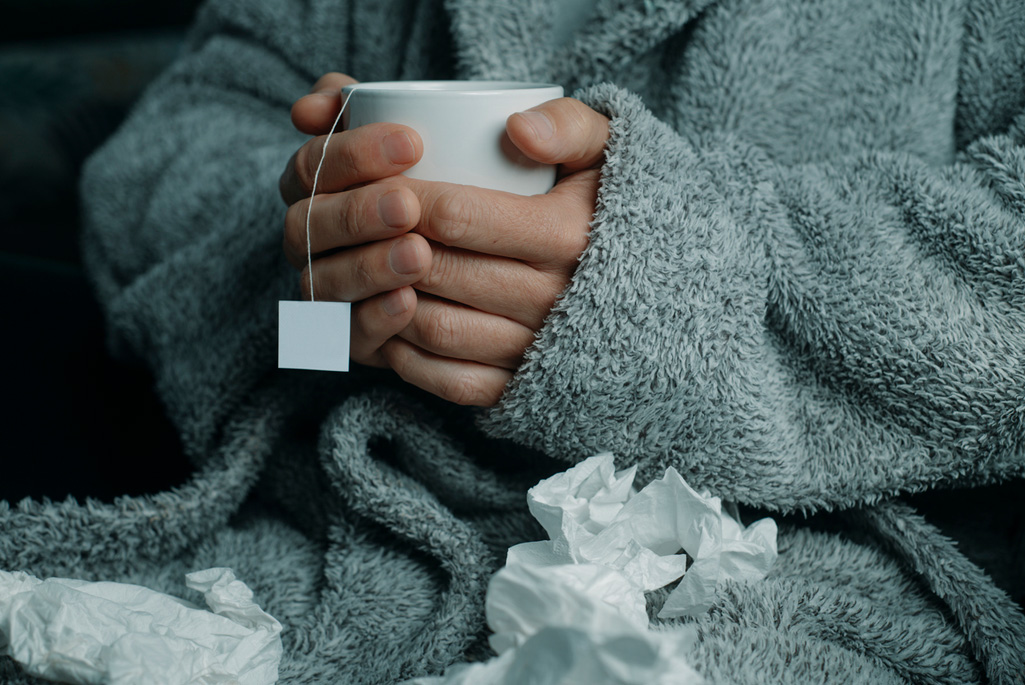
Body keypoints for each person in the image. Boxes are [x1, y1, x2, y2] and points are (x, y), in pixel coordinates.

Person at [4, 0, 1023, 682]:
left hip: (823, 561)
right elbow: (186, 133)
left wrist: (685, 296)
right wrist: (308, 252)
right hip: (341, 513)